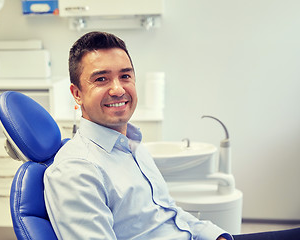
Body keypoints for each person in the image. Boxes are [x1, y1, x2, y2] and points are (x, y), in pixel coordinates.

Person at [44, 31, 300, 240]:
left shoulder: (132, 146)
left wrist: (216, 236)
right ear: (76, 93)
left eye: (125, 76)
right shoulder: (76, 171)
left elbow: (170, 213)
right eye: (101, 79)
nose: (118, 89)